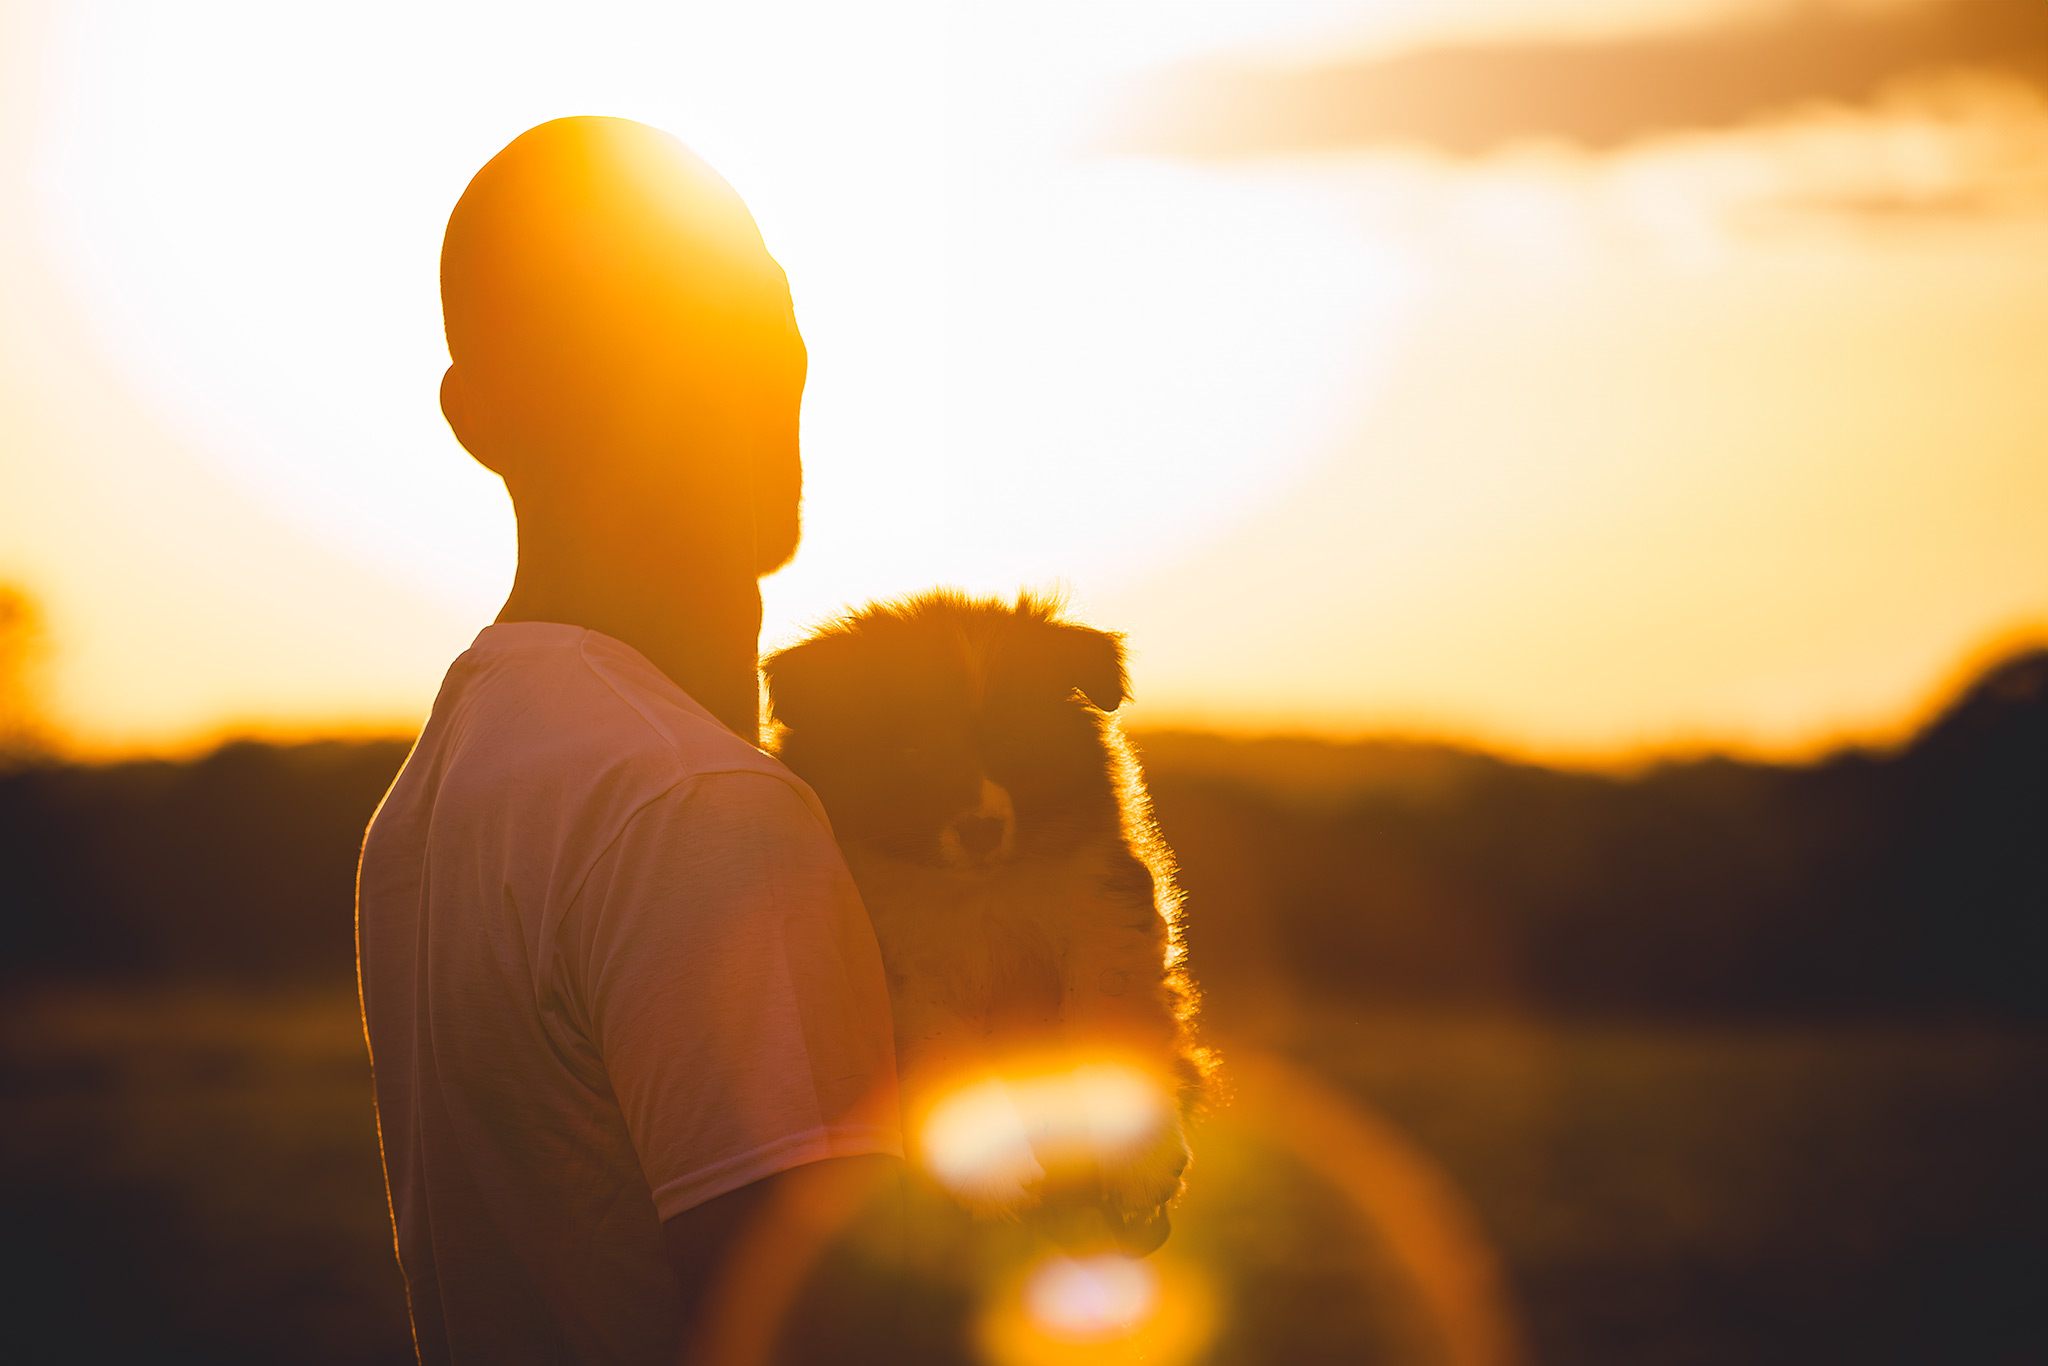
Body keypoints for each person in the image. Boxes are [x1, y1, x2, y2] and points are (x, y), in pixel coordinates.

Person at [356, 116, 903, 1366]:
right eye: (642, 334)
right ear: (478, 415)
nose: (746, 367)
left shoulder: (444, 789)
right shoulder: (694, 806)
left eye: (759, 310)